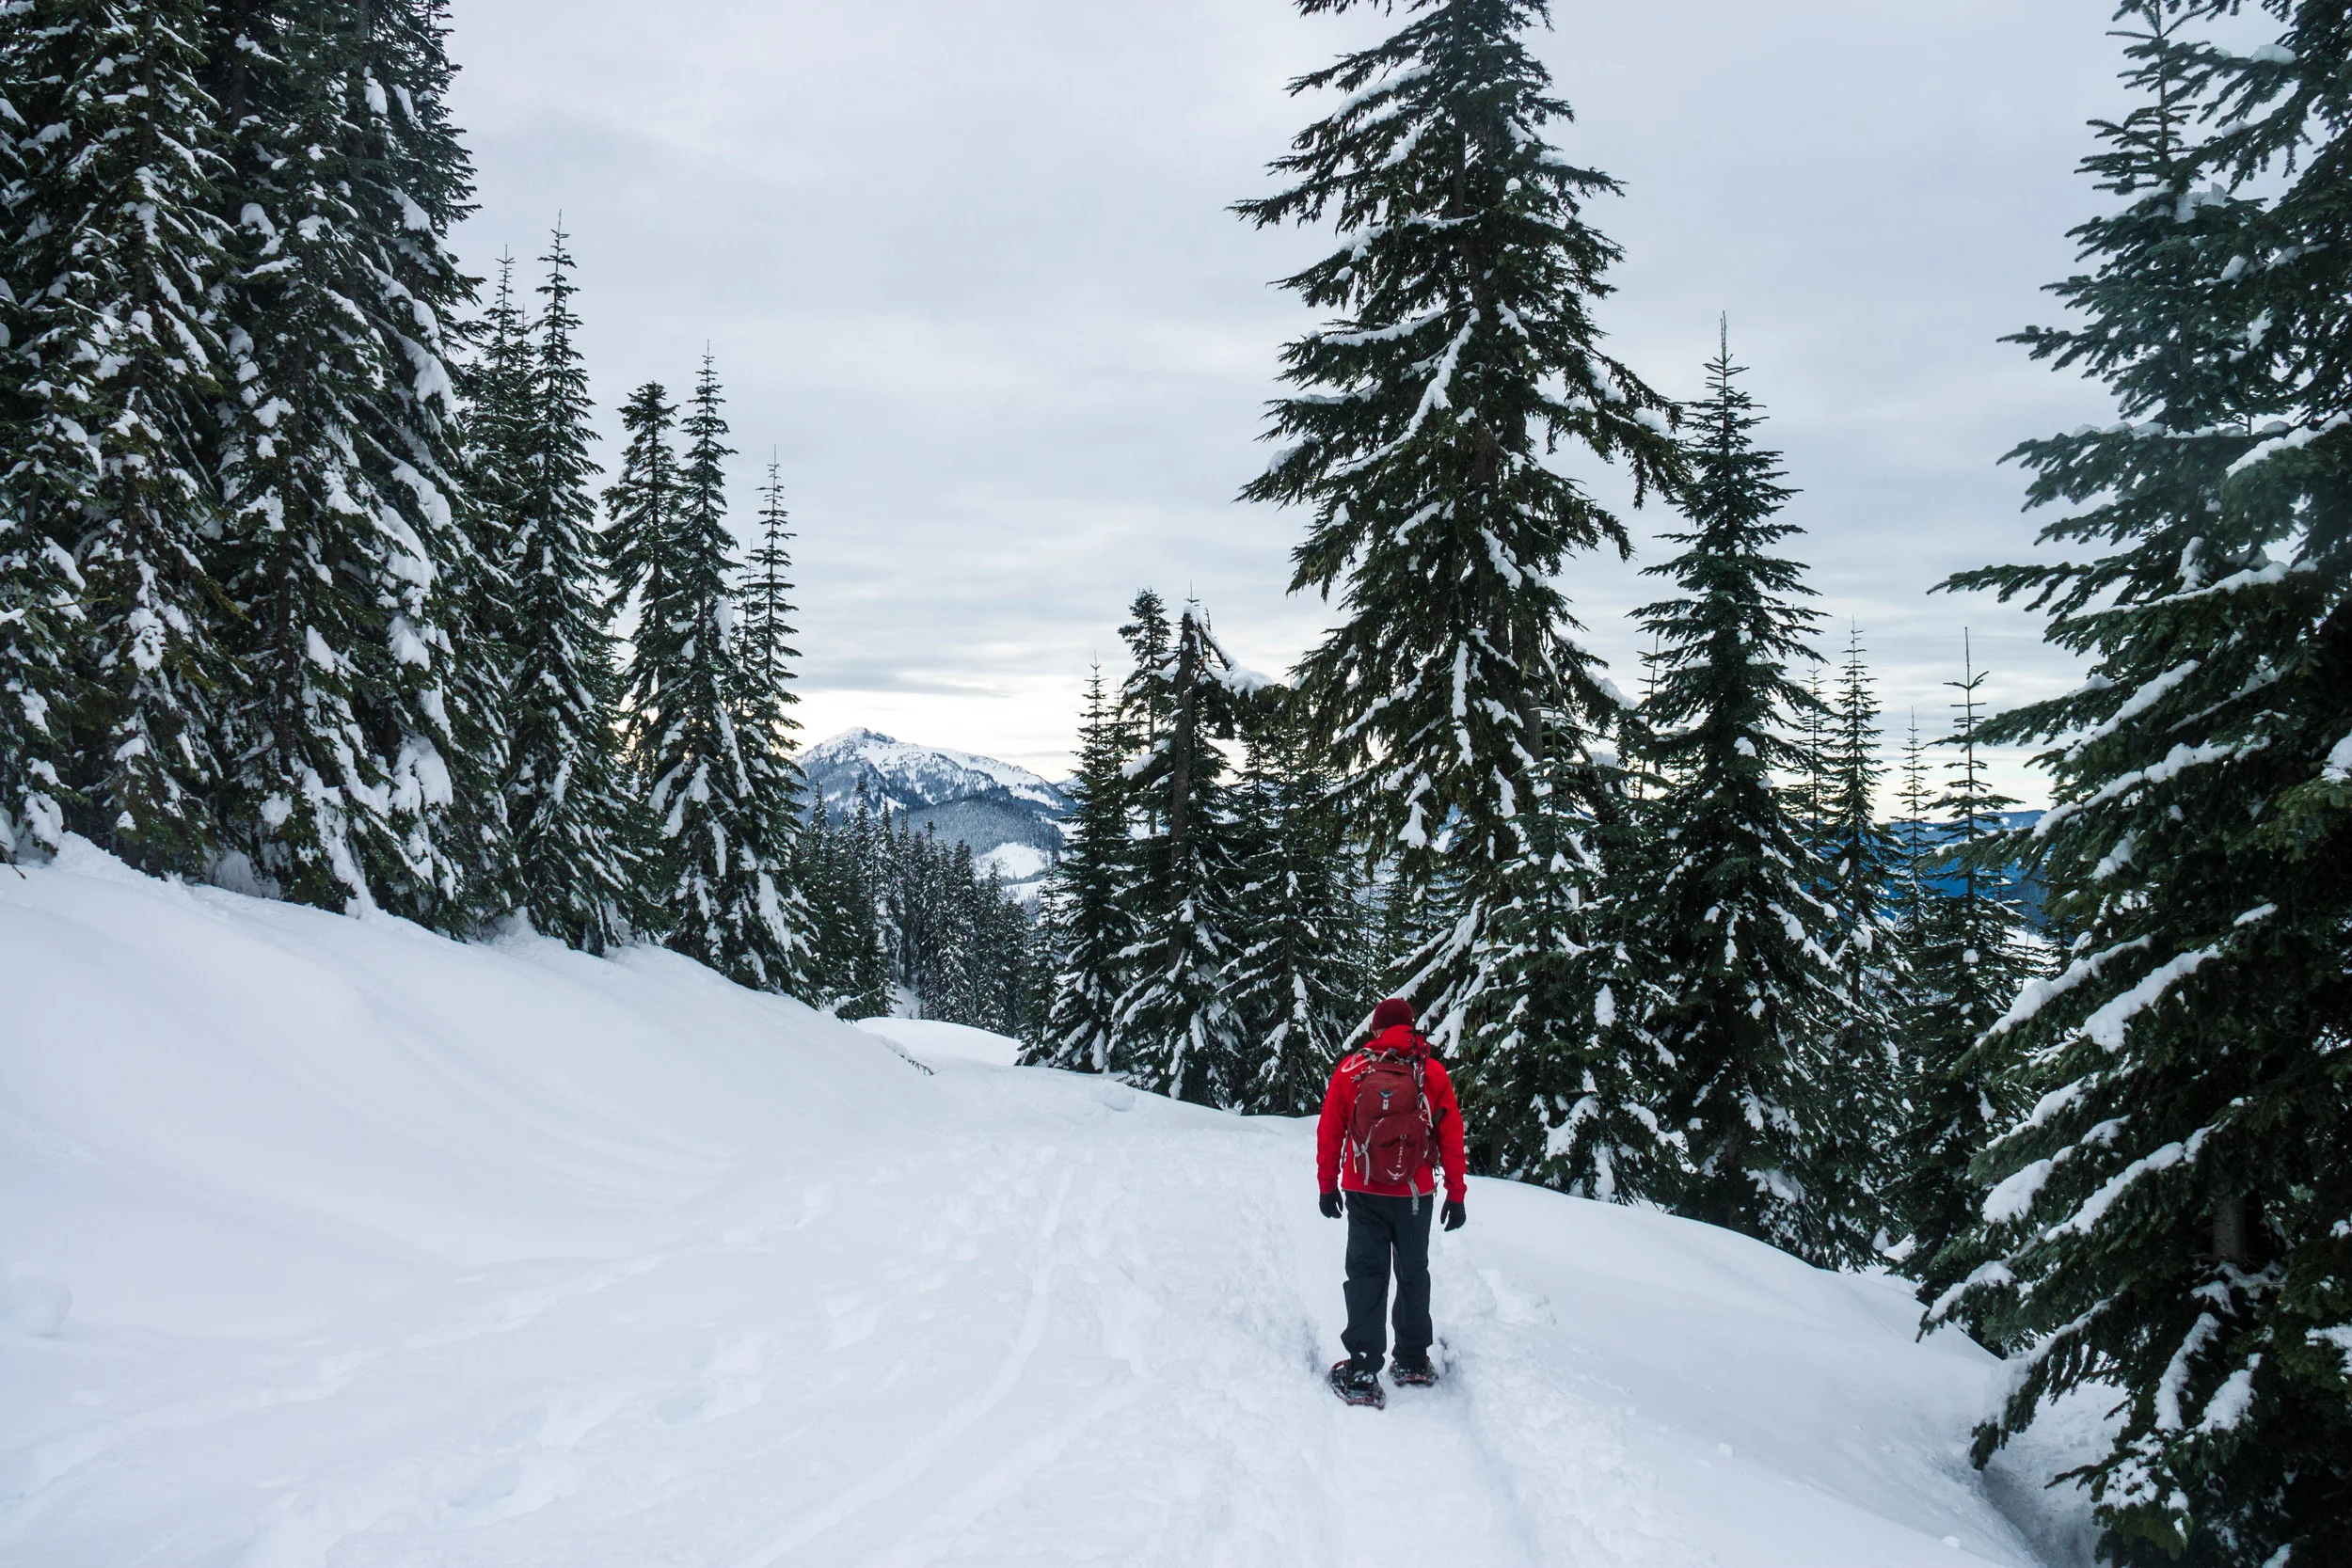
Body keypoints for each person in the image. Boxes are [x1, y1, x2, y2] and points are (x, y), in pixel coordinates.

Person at [1316, 997, 1466, 1403]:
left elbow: (1331, 1131)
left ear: (1377, 1030)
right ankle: (1414, 1360)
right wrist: (1456, 1192)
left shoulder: (1350, 1070)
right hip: (1417, 1193)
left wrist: (1327, 1184)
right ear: (1411, 1027)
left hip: (1364, 1191)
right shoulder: (1431, 1072)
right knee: (1414, 1272)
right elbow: (1451, 1135)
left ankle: (1363, 1371)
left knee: (1367, 1274)